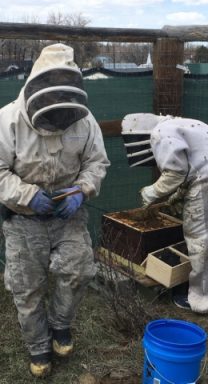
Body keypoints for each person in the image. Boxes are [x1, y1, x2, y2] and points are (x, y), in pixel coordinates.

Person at [0, 44, 110, 377]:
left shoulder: (84, 119)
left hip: (68, 214)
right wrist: (27, 195)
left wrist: (82, 189)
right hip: (23, 218)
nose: (58, 120)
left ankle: (60, 324)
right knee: (27, 286)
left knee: (78, 271)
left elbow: (96, 162)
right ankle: (39, 347)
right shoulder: (7, 120)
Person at [121, 113, 208, 314]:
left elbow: (176, 173)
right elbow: (191, 166)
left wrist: (150, 193)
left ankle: (200, 300)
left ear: (138, 136)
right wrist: (176, 197)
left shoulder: (159, 132)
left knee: (203, 235)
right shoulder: (183, 123)